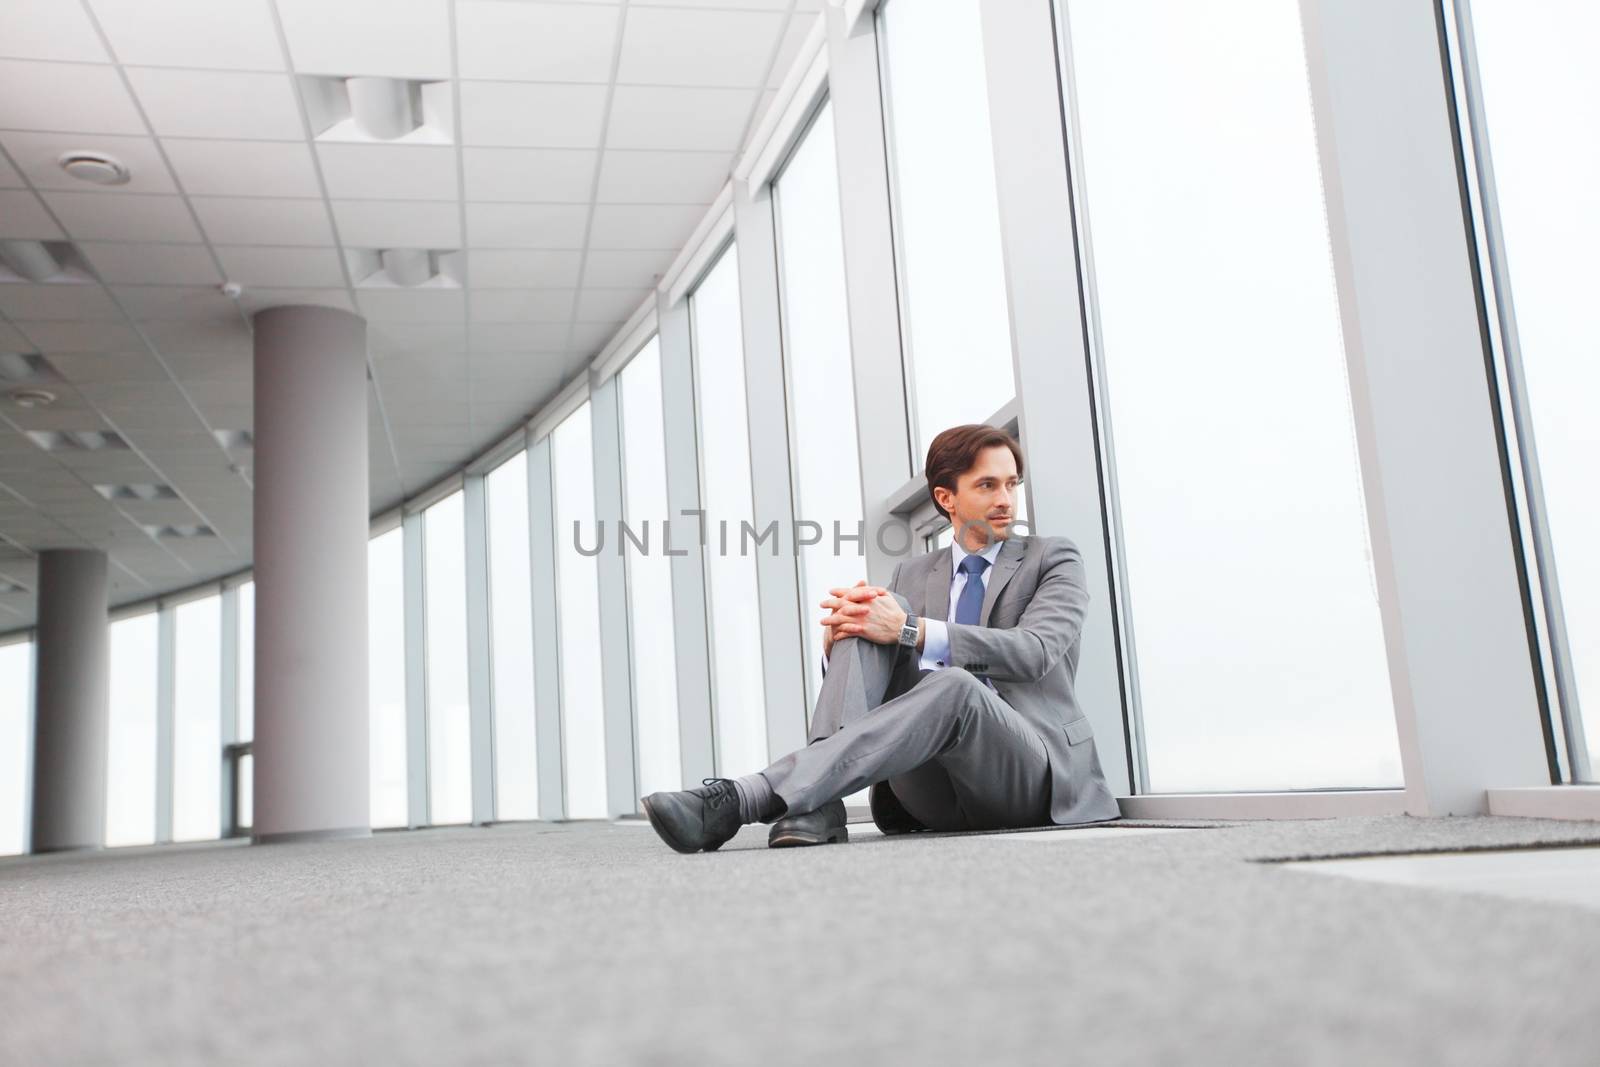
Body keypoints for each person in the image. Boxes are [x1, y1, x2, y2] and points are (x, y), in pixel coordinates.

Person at [641, 424, 1120, 853]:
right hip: (931, 786)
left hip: (1027, 772)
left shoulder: (1052, 558)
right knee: (865, 609)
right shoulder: (913, 572)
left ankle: (747, 797)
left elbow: (1035, 654)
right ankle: (820, 802)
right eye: (988, 485)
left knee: (950, 681)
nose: (1006, 500)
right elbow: (881, 660)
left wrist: (910, 631)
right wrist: (839, 647)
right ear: (946, 498)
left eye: (1012, 484)